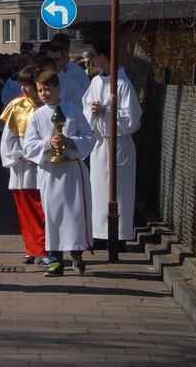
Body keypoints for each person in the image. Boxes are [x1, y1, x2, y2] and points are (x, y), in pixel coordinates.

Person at [23, 70, 96, 277]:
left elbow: (89, 138)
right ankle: (55, 261)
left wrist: (69, 141)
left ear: (58, 88)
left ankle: (77, 253)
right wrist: (49, 143)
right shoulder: (37, 115)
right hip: (50, 171)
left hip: (72, 169)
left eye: (47, 89)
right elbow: (28, 146)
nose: (43, 93)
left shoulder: (73, 111)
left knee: (75, 213)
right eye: (40, 90)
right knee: (53, 214)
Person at [82, 38, 142, 251]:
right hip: (100, 145)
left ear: (103, 57)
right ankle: (99, 234)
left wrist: (105, 112)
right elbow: (85, 107)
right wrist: (92, 110)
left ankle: (119, 237)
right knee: (98, 189)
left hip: (119, 146)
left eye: (94, 56)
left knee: (119, 192)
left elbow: (132, 119)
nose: (91, 60)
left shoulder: (123, 85)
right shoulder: (96, 82)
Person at [0, 65, 52, 268]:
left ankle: (42, 248)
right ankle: (32, 248)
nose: (23, 90)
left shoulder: (49, 107)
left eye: (27, 86)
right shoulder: (16, 106)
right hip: (22, 167)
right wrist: (20, 155)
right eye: (21, 85)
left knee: (43, 209)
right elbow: (7, 140)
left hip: (46, 166)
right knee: (26, 210)